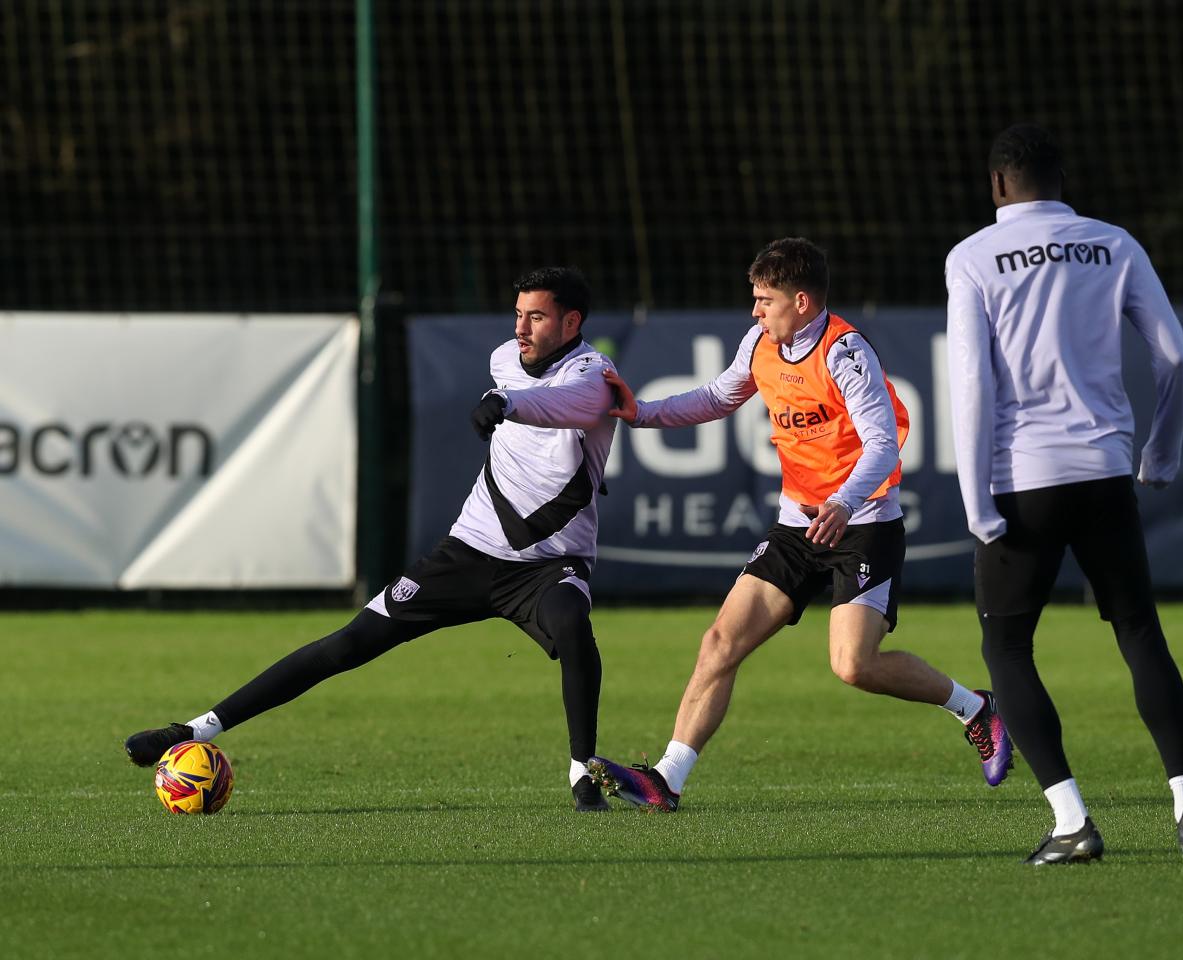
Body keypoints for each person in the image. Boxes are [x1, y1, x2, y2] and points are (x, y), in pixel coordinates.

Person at [125, 266, 620, 812]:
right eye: (519, 313)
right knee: (348, 643)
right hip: (470, 551)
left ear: (572, 321)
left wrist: (507, 404)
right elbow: (522, 382)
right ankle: (192, 730)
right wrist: (505, 396)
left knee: (573, 625)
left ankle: (583, 774)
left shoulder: (593, 373)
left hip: (549, 565)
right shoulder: (505, 358)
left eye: (538, 316)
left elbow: (574, 404)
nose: (522, 327)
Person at [589, 237, 1012, 811]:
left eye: (766, 300)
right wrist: (643, 414)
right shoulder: (762, 343)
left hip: (862, 525)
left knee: (852, 666)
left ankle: (976, 708)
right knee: (719, 642)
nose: (756, 311)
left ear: (803, 302)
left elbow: (883, 447)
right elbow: (719, 395)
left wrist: (841, 503)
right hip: (796, 527)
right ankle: (667, 780)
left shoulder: (846, 353)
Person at [945, 123, 1183, 864]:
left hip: (1021, 481)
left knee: (1006, 646)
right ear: (1059, 180)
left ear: (999, 185)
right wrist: (1160, 453)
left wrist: (975, 496)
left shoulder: (974, 256)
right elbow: (1173, 354)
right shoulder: (1113, 242)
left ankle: (1073, 822)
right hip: (1105, 471)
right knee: (1139, 633)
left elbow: (972, 381)